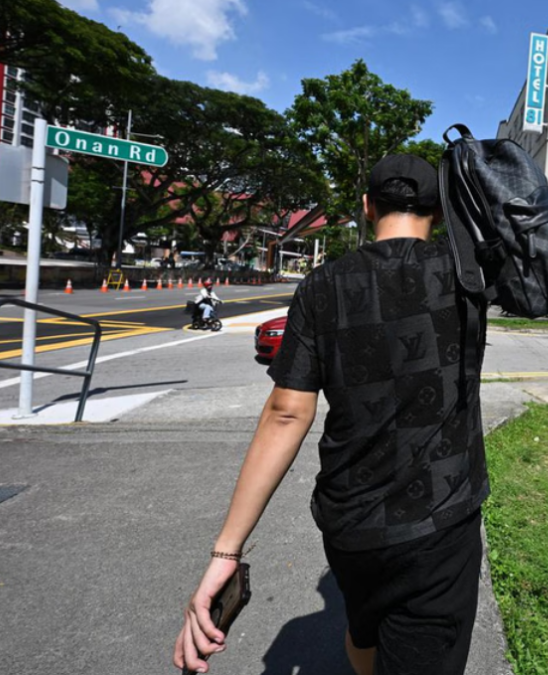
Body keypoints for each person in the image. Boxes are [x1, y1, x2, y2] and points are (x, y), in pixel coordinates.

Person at [173, 154, 488, 675]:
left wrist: (226, 552)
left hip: (350, 524)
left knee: (364, 630)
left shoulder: (323, 285)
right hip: (439, 523)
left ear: (367, 207)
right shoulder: (465, 275)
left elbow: (286, 414)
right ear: (437, 211)